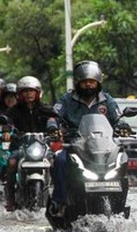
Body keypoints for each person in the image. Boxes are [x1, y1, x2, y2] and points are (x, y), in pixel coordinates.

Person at [47, 60, 123, 216]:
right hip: (74, 145)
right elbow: (53, 115)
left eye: (92, 82)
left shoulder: (106, 100)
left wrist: (123, 125)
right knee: (59, 160)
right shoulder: (67, 100)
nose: (89, 85)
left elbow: (117, 116)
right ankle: (60, 201)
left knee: (121, 159)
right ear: (77, 82)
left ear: (98, 82)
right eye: (85, 82)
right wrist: (53, 127)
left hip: (101, 146)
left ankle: (119, 203)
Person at [3, 76, 54, 211]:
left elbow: (56, 119)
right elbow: (8, 121)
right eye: (25, 91)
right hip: (21, 146)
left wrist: (57, 129)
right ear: (20, 94)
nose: (28, 94)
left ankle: (58, 197)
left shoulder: (45, 108)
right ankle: (11, 199)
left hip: (43, 146)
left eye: (31, 91)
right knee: (12, 163)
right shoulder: (14, 110)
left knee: (55, 162)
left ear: (37, 93)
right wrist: (7, 131)